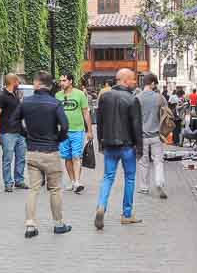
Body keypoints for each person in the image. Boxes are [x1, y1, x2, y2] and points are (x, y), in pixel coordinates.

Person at [10, 71, 71, 238]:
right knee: (55, 189)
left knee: (33, 189)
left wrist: (26, 134)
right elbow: (65, 126)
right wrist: (58, 139)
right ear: (50, 85)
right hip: (51, 151)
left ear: (36, 84)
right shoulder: (55, 103)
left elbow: (13, 121)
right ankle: (58, 224)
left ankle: (30, 224)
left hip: (32, 151)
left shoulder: (26, 102)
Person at [95, 68, 143, 230]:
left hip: (109, 144)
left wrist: (100, 142)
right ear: (124, 80)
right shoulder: (132, 99)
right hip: (127, 146)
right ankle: (127, 214)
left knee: (108, 177)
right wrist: (140, 148)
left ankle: (101, 206)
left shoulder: (104, 97)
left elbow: (99, 122)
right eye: (133, 80)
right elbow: (136, 126)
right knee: (130, 178)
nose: (134, 83)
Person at [56, 72, 92, 194]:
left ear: (70, 81)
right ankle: (72, 181)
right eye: (61, 81)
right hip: (63, 131)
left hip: (77, 130)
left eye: (64, 80)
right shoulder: (58, 95)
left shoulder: (80, 94)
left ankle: (77, 181)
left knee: (76, 156)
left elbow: (86, 112)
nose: (62, 83)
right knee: (67, 157)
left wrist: (90, 131)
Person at [0, 74, 27, 192]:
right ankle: (8, 183)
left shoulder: (15, 95)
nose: (19, 83)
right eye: (17, 81)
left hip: (19, 131)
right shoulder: (1, 96)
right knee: (8, 158)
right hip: (7, 132)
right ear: (13, 81)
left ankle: (19, 180)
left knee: (21, 157)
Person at [135, 73, 168, 199]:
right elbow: (167, 115)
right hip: (157, 135)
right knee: (158, 161)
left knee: (143, 162)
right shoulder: (160, 98)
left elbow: (134, 118)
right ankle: (159, 182)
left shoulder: (137, 98)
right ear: (153, 83)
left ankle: (144, 187)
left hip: (142, 136)